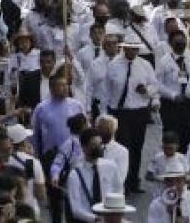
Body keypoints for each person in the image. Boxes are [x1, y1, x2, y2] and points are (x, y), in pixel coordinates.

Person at [31, 72, 88, 223]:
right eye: (60, 85)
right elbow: (35, 133)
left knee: (74, 193)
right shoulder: (41, 108)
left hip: (74, 156)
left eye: (66, 85)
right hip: (51, 155)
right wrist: (37, 155)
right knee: (55, 196)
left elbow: (86, 129)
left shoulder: (76, 105)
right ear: (51, 88)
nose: (64, 88)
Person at [106, 36, 159, 194]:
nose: (133, 51)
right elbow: (107, 91)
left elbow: (155, 85)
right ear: (124, 48)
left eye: (136, 48)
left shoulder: (145, 65)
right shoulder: (114, 65)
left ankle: (134, 181)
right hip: (121, 112)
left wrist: (146, 91)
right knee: (124, 147)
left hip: (139, 111)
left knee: (137, 147)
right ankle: (123, 182)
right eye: (130, 48)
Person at [156, 29, 190, 154]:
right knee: (172, 136)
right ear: (171, 44)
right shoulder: (164, 61)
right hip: (171, 106)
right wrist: (172, 95)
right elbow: (158, 84)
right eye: (177, 42)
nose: (181, 45)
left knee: (189, 134)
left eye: (183, 41)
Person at [67, 128, 124, 223]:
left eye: (100, 144)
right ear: (84, 147)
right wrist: (95, 219)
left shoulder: (111, 167)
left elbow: (119, 192)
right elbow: (76, 208)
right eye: (94, 145)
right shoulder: (75, 175)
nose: (99, 148)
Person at [147, 155, 190, 223]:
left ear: (184, 182)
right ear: (165, 182)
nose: (174, 185)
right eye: (170, 181)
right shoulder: (157, 204)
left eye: (178, 181)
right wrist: (170, 215)